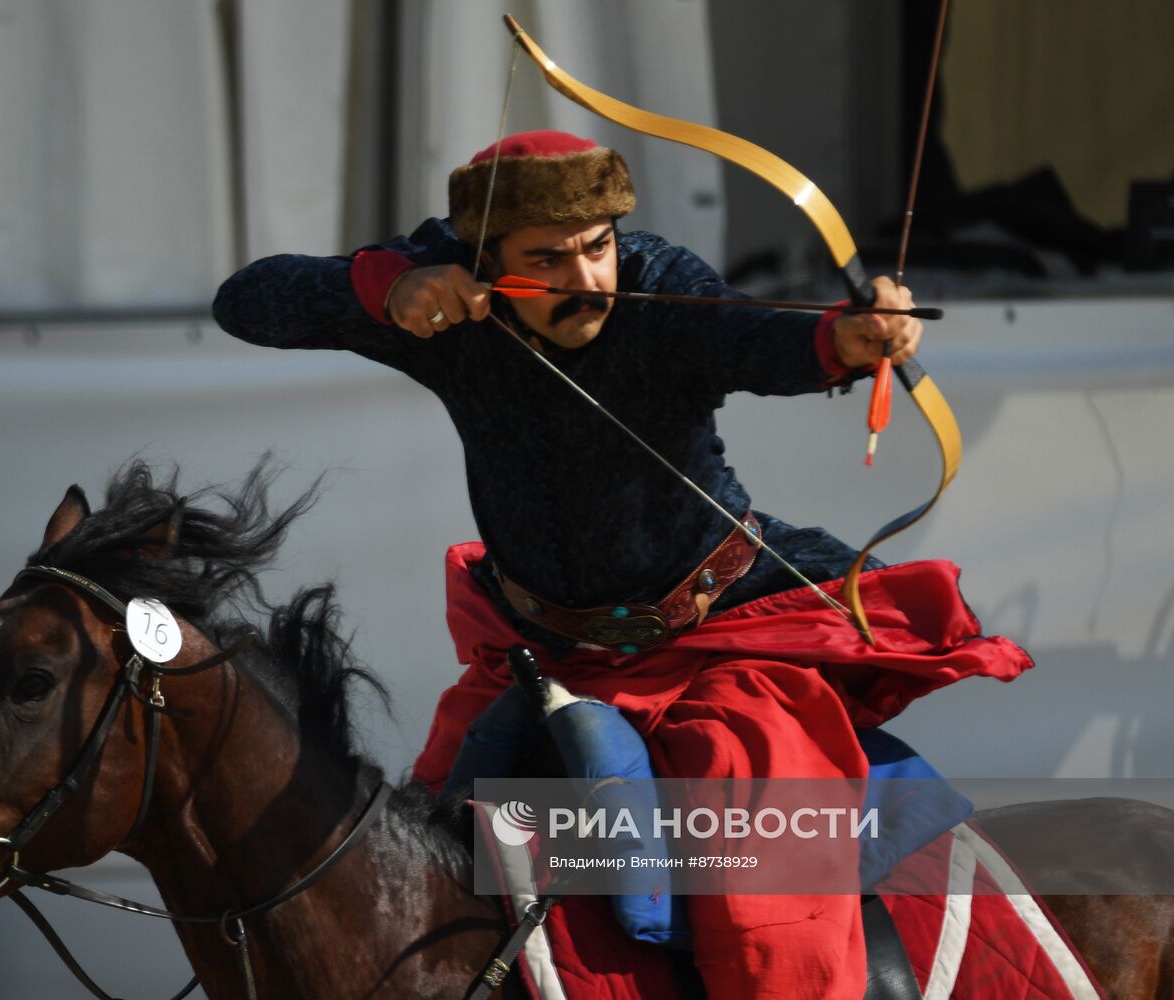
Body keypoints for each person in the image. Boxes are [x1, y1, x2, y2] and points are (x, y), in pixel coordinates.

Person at [213, 130, 1030, 1000]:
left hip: (720, 643)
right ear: (485, 259)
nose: (586, 280)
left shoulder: (659, 287)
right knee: (439, 875)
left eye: (597, 248)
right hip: (548, 656)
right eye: (548, 260)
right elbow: (246, 299)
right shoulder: (448, 299)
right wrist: (388, 287)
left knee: (764, 912)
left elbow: (756, 340)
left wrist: (848, 339)